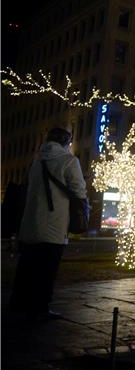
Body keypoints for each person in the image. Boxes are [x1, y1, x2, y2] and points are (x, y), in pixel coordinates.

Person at [9, 127, 87, 322]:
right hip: (54, 224)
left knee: (27, 266)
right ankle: (41, 306)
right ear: (67, 142)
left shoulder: (37, 160)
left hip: (30, 223)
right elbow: (79, 190)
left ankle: (19, 303)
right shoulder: (69, 161)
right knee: (47, 269)